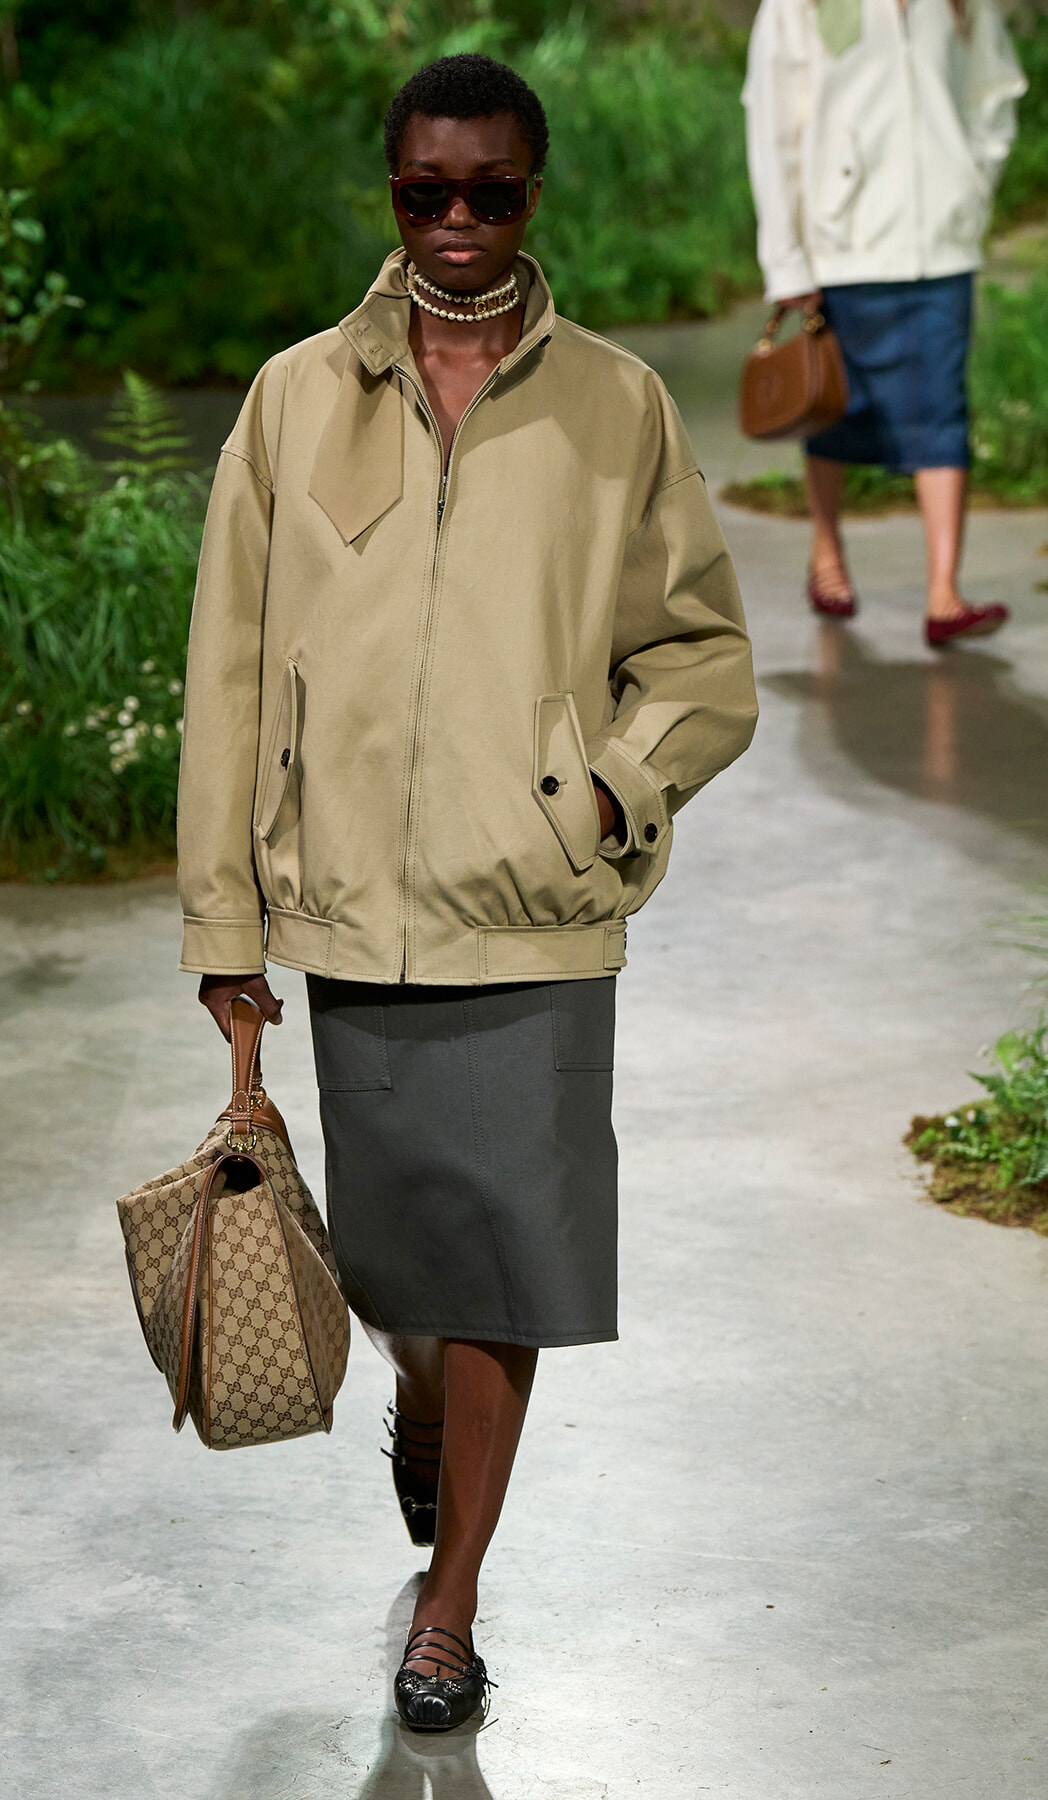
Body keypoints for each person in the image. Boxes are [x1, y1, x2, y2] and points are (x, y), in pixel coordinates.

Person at [176, 52, 757, 1732]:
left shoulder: (615, 408)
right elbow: (227, 673)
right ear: (391, 192)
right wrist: (227, 928)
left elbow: (705, 663)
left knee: (504, 1268)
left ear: (532, 192)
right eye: (423, 192)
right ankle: (424, 1401)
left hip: (538, 917)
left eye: (487, 192)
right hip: (352, 912)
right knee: (402, 1269)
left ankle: (448, 1611)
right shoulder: (297, 400)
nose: (453, 223)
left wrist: (607, 790)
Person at [743, 0, 1026, 646]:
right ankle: (826, 554)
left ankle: (944, 595)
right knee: (835, 404)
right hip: (842, 244)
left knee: (942, 408)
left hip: (941, 244)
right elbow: (773, 124)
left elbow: (994, 88)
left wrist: (972, 181)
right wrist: (787, 262)